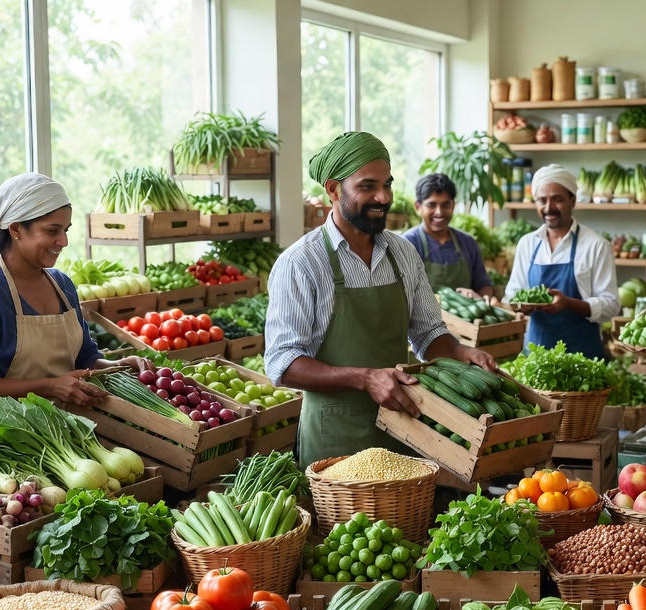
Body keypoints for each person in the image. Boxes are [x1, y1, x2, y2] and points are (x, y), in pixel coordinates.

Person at [264, 131, 497, 464]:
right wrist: (365, 378)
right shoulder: (302, 263)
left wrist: (460, 353)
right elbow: (282, 363)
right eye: (367, 186)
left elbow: (429, 334)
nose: (383, 197)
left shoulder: (402, 252)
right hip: (334, 441)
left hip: (403, 431)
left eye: (387, 184)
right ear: (333, 189)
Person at [0, 173, 150, 411]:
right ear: (16, 229)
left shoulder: (61, 285)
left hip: (65, 428)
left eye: (66, 230)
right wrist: (49, 387)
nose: (63, 241)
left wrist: (117, 365)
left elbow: (85, 358)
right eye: (52, 231)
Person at [501, 164, 618, 359]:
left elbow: (610, 305)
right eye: (542, 200)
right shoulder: (527, 244)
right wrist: (523, 305)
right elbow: (512, 295)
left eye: (557, 199)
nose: (549, 208)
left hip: (583, 357)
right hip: (535, 357)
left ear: (572, 201)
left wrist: (568, 303)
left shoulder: (596, 245)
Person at [402, 173, 494, 297]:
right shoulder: (407, 243)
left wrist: (482, 298)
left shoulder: (468, 242)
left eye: (446, 205)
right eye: (431, 205)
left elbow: (483, 285)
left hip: (465, 316)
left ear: (453, 206)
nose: (439, 212)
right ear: (418, 207)